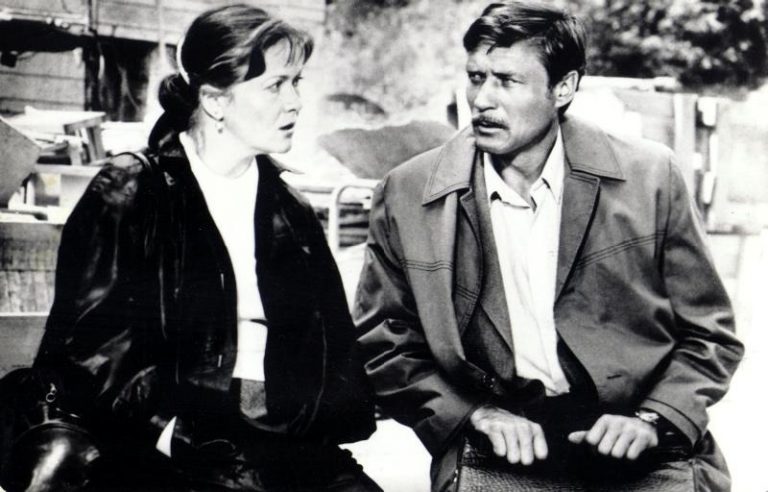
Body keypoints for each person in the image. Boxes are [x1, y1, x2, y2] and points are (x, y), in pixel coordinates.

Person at [354, 1, 743, 491]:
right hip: (501, 441)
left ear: (564, 88)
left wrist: (654, 417)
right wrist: (473, 414)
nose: (482, 100)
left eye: (507, 81)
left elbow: (710, 335)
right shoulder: (408, 192)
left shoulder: (650, 177)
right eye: (476, 77)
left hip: (640, 434)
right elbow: (384, 344)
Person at [2, 5, 381, 491]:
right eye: (275, 86)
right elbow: (87, 352)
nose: (295, 103)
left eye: (296, 82)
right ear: (215, 101)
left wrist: (315, 423)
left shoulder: (292, 210)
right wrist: (170, 432)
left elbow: (335, 348)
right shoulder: (133, 190)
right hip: (165, 439)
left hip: (284, 437)